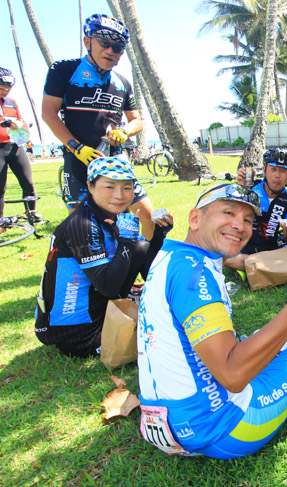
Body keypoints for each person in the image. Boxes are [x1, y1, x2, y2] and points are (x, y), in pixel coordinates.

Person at [136, 182, 287, 459]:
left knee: (271, 335)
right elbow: (233, 375)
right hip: (224, 428)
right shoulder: (196, 275)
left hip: (167, 417)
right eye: (228, 213)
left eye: (248, 219)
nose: (240, 225)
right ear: (195, 218)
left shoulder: (172, 255)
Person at [34, 157, 172, 357]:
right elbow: (107, 286)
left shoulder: (108, 216)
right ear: (90, 186)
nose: (119, 195)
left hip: (100, 310)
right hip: (76, 333)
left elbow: (145, 263)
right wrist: (125, 241)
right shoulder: (82, 225)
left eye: (126, 188)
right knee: (170, 339)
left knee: (141, 246)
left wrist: (159, 235)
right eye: (109, 187)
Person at [41, 14, 156, 240]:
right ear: (87, 42)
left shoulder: (122, 82)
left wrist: (124, 131)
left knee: (148, 216)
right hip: (78, 160)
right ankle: (91, 274)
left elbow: (137, 121)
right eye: (105, 43)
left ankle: (147, 268)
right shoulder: (64, 70)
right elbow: (48, 113)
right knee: (82, 229)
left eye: (118, 47)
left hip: (116, 161)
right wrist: (76, 147)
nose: (111, 51)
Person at [225, 148, 287, 272]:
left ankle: (251, 264)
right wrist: (241, 188)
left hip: (272, 247)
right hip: (244, 245)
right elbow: (230, 216)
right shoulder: (250, 187)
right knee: (224, 256)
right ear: (264, 169)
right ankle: (265, 265)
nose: (277, 175)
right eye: (273, 169)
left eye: (283, 171)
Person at [0, 67, 39, 223]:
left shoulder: (12, 102)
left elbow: (20, 119)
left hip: (15, 146)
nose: (6, 91)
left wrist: (25, 123)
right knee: (1, 187)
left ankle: (32, 213)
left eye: (8, 88)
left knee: (27, 182)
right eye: (2, 87)